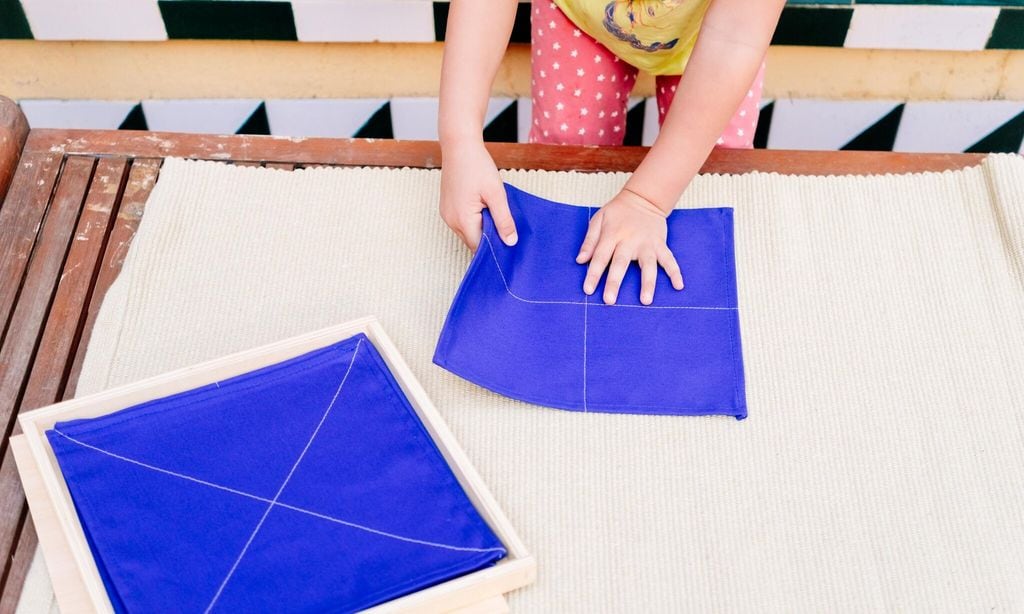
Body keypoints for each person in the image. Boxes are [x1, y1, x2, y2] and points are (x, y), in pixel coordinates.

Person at [438, 0, 784, 305]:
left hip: (714, 34)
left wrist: (647, 200)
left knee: (715, 173)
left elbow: (735, 39)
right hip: (583, 15)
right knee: (567, 156)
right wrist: (460, 141)